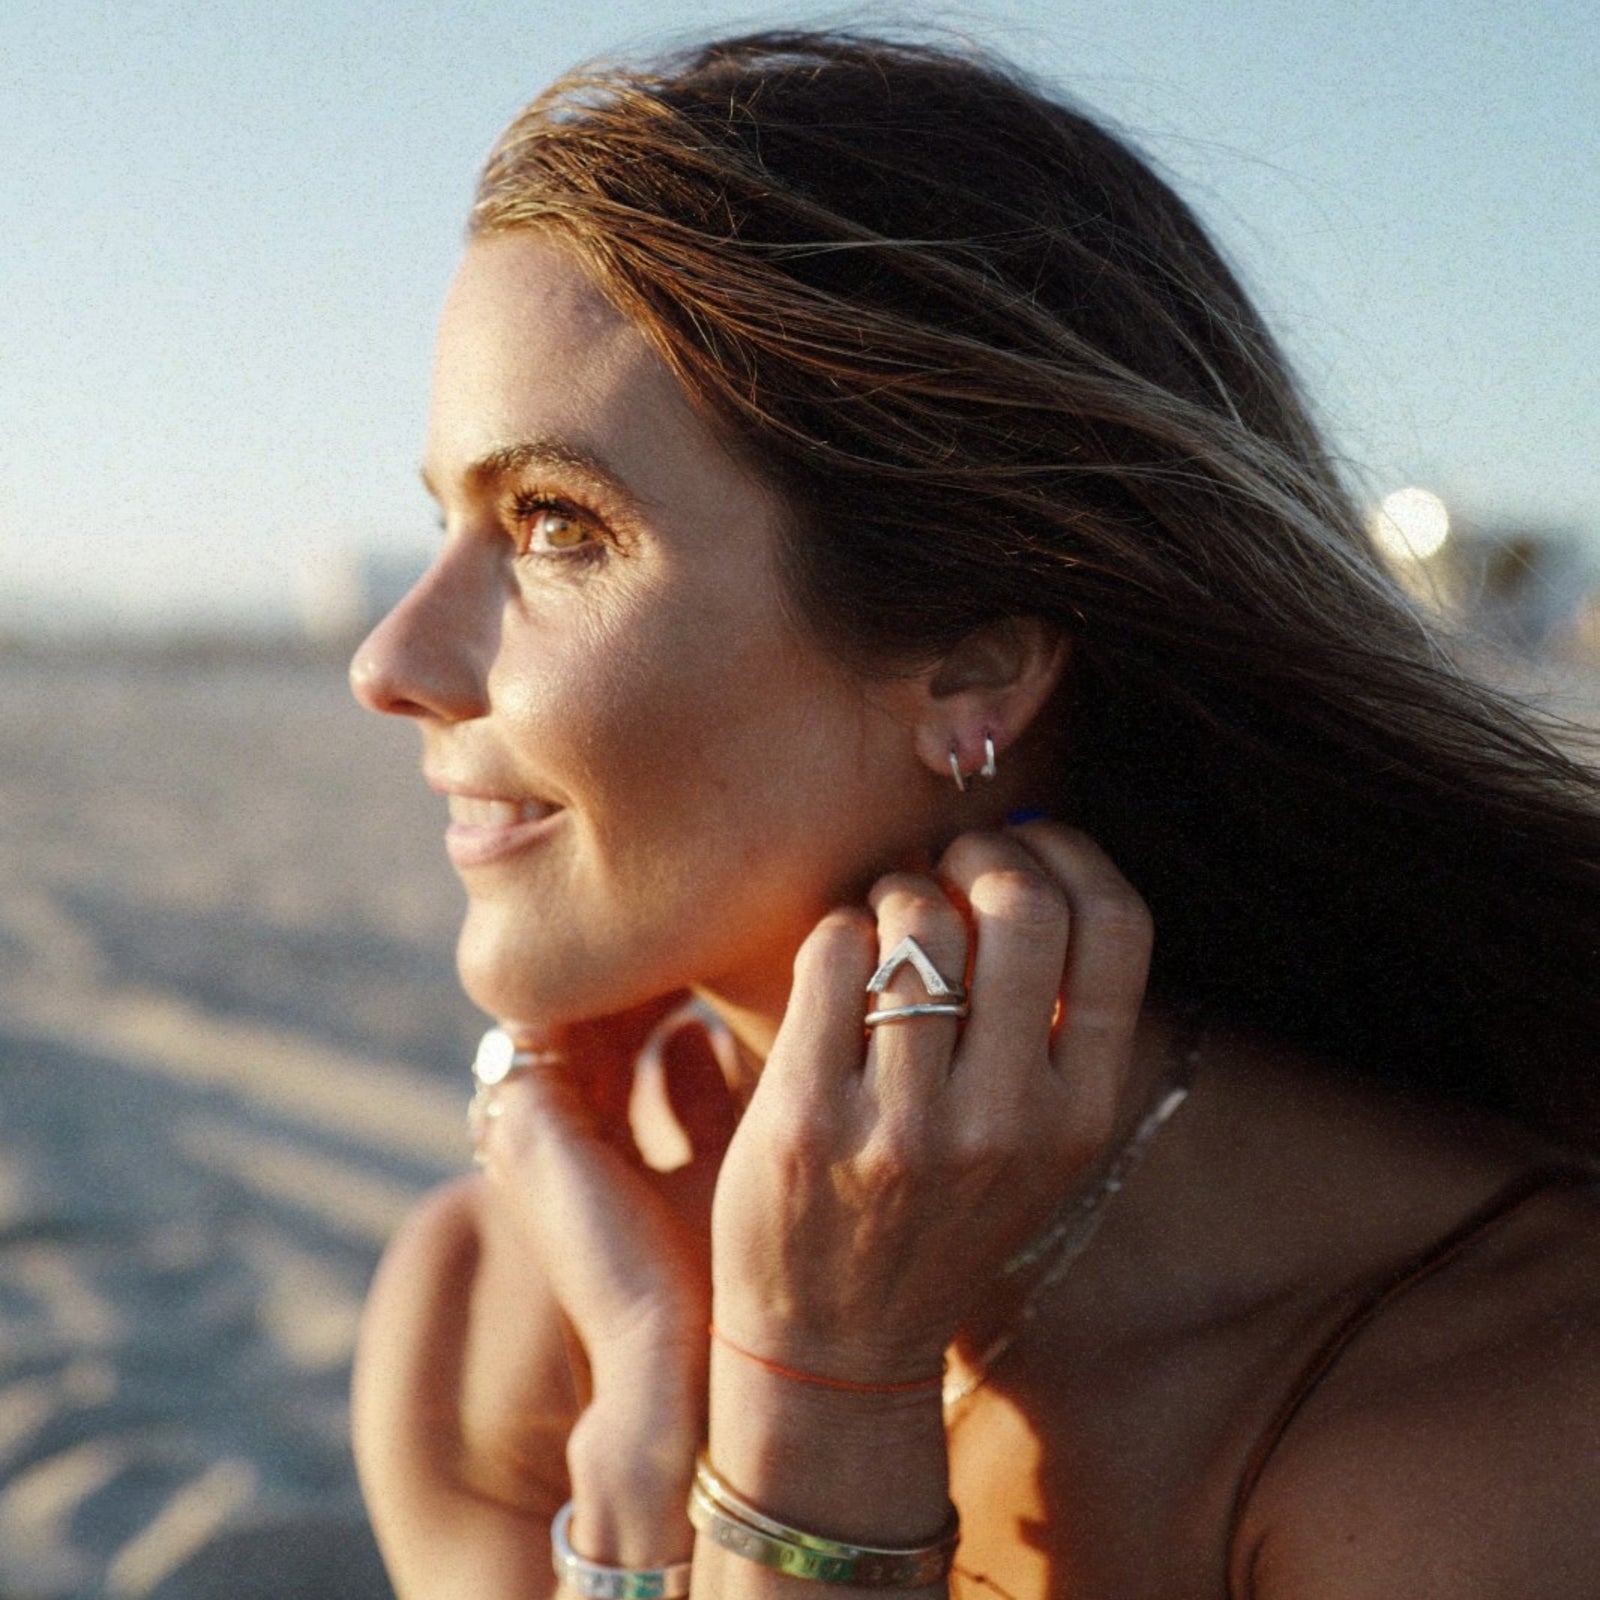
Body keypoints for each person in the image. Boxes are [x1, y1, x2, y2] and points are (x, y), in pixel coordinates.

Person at [346, 30, 1600, 1598]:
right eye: (446, 520)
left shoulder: (1483, 1409)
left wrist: (817, 1402)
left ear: (976, 660)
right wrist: (650, 1434)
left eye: (552, 525)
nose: (392, 662)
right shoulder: (498, 1319)